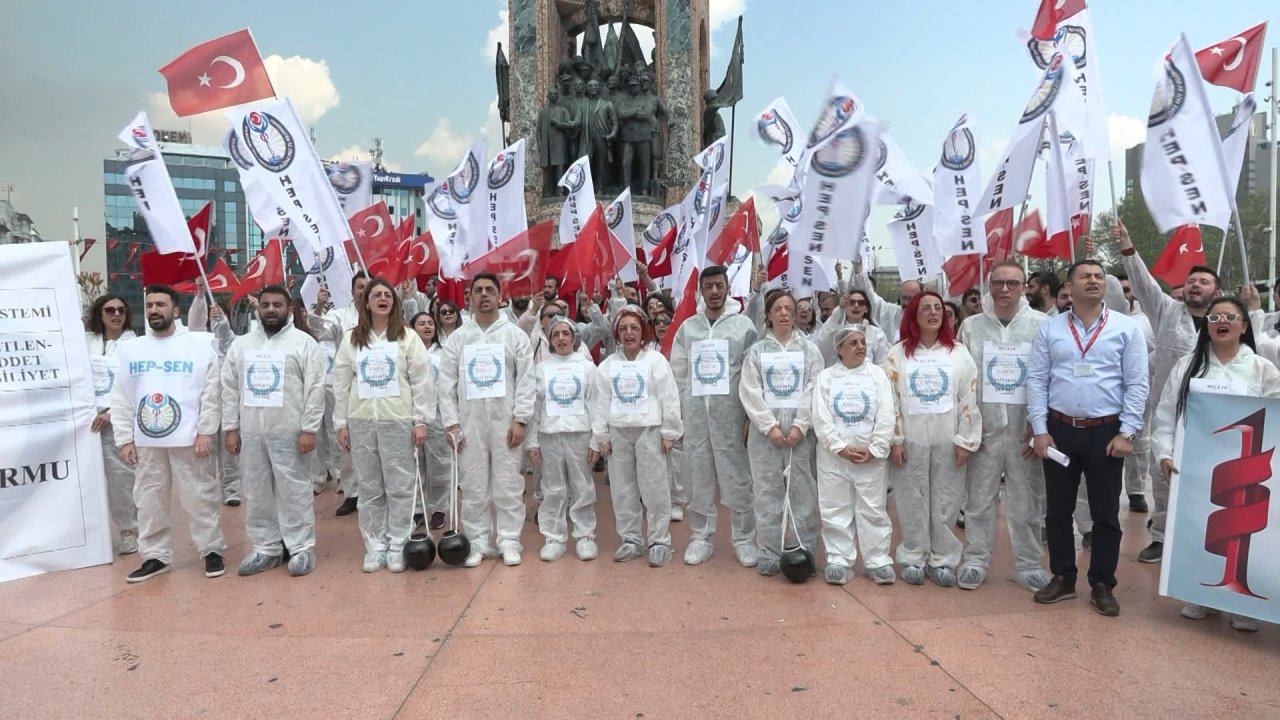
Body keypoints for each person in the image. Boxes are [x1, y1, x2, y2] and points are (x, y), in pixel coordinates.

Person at [1151, 293, 1280, 632]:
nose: (1222, 322)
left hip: (1246, 466)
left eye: (1230, 317)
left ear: (1244, 326)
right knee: (1201, 529)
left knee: (1242, 531)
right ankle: (1201, 594)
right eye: (1214, 317)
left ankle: (1242, 603)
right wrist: (1164, 452)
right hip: (1196, 468)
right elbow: (1166, 413)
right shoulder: (1188, 366)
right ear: (1206, 326)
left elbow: (1275, 416)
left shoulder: (1261, 368)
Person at [1027, 259, 1149, 617]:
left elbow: (1137, 383)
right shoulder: (1051, 329)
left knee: (1106, 514)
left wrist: (1127, 432)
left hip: (1106, 433)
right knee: (1058, 512)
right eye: (1085, 276)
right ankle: (1063, 577)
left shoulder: (1126, 329)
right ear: (1070, 286)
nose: (1094, 281)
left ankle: (1102, 583)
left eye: (1099, 276)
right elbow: (1037, 380)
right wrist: (1039, 430)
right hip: (1060, 430)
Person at [1115, 221, 1221, 564]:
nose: (1195, 285)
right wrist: (1127, 245)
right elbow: (1143, 283)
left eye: (1203, 282)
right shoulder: (1166, 311)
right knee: (1163, 474)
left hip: (1211, 416)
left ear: (1217, 293)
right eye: (1191, 281)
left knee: (1207, 478)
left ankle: (1201, 537)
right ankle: (1161, 536)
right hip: (1168, 411)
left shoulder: (1224, 323)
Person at [111, 285, 226, 582]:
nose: (154, 310)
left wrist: (206, 432)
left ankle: (211, 549)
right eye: (149, 305)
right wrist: (124, 438)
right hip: (147, 441)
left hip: (190, 438)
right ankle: (155, 555)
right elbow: (122, 397)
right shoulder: (132, 350)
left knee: (199, 495)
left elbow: (211, 393)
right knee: (149, 498)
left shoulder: (199, 345)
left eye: (160, 305)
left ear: (175, 310)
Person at [956, 262, 1051, 592]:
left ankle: (1029, 564)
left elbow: (1051, 377)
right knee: (979, 499)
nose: (1005, 289)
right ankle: (975, 559)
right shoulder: (971, 326)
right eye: (999, 283)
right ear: (989, 286)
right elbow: (962, 381)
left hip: (1026, 431)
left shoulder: (1042, 325)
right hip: (985, 430)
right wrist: (969, 427)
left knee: (1027, 501)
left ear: (1025, 287)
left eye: (1013, 283)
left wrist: (1040, 424)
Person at [221, 286, 327, 577]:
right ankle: (266, 547)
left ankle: (301, 547)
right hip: (251, 432)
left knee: (294, 489)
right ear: (258, 309)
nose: (270, 309)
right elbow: (229, 388)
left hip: (290, 432)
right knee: (256, 491)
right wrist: (231, 428)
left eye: (277, 304)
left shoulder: (304, 344)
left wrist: (309, 429)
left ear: (289, 310)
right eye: (265, 304)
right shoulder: (241, 345)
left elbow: (316, 389)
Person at [333, 279, 435, 573]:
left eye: (387, 295)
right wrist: (341, 422)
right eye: (376, 295)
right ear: (365, 302)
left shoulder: (407, 337)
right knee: (370, 487)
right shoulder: (352, 339)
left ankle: (398, 544)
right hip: (362, 421)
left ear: (395, 302)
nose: (382, 299)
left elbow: (422, 381)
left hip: (397, 420)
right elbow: (341, 383)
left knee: (401, 485)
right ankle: (375, 547)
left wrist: (420, 420)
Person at [438, 273, 536, 567]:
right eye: (478, 290)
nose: (483, 295)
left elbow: (527, 380)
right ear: (469, 297)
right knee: (473, 484)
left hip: (506, 423)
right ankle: (478, 541)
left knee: (508, 483)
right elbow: (446, 384)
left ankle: (509, 540)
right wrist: (451, 423)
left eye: (489, 290)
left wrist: (520, 420)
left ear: (499, 296)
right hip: (469, 424)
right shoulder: (458, 338)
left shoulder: (515, 336)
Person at [886, 291, 981, 587]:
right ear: (914, 314)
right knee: (910, 498)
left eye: (938, 308)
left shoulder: (959, 353)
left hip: (947, 439)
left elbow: (969, 397)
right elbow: (890, 400)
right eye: (925, 308)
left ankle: (943, 558)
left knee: (947, 498)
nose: (933, 313)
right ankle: (913, 555)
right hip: (911, 441)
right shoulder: (897, 354)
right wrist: (896, 439)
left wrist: (966, 440)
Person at [671, 266, 760, 566]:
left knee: (738, 479)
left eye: (719, 285)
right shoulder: (689, 328)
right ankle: (701, 537)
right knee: (698, 478)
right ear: (700, 291)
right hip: (696, 417)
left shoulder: (743, 327)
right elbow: (678, 373)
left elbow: (751, 375)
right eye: (708, 286)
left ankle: (744, 539)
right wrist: (680, 413)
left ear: (727, 288)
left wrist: (749, 415)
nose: (713, 291)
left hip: (730, 417)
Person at [739, 291, 824, 576]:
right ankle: (769, 551)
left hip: (801, 436)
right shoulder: (757, 352)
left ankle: (804, 549)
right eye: (778, 308)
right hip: (766, 437)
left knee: (803, 493)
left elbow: (814, 388)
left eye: (789, 308)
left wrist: (801, 425)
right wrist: (769, 426)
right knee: (767, 492)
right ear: (768, 315)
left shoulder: (810, 351)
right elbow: (750, 391)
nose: (784, 313)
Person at [590, 306, 683, 565]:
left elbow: (669, 397)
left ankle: (659, 540)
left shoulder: (656, 361)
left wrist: (669, 432)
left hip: (649, 431)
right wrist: (602, 437)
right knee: (623, 490)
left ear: (643, 331)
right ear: (616, 334)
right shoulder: (607, 366)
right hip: (618, 433)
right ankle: (630, 539)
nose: (629, 333)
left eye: (634, 327)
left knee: (655, 488)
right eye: (623, 329)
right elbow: (600, 403)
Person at [811, 324, 897, 585]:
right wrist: (838, 447)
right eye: (853, 343)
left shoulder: (878, 376)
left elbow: (887, 414)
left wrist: (876, 449)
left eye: (863, 342)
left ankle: (877, 560)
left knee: (873, 509)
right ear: (839, 349)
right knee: (835, 507)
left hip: (869, 459)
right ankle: (838, 559)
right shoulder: (826, 378)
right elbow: (820, 416)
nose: (861, 347)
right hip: (834, 459)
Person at [523, 316, 599, 561]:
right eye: (556, 334)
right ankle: (554, 538)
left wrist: (597, 440)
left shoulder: (587, 367)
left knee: (582, 486)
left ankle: (585, 536)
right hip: (549, 436)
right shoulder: (541, 368)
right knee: (553, 488)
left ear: (574, 338)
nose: (561, 338)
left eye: (566, 333)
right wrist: (532, 442)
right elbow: (535, 408)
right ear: (550, 340)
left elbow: (596, 404)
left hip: (580, 434)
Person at [86, 293, 139, 555]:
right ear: (100, 314)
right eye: (110, 310)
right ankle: (88, 535)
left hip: (115, 421)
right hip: (85, 420)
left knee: (121, 480)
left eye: (121, 310)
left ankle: (129, 530)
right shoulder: (85, 342)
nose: (116, 314)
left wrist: (110, 412)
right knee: (84, 479)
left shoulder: (135, 345)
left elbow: (135, 385)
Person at [410, 312, 452, 529]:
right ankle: (417, 509)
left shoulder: (445, 353)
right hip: (411, 415)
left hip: (438, 415)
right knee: (414, 465)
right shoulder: (406, 351)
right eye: (421, 324)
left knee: (439, 466)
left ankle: (438, 509)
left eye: (430, 323)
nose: (427, 327)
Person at [812, 288, 890, 367]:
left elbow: (882, 363)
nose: (856, 306)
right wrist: (840, 309)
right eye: (851, 302)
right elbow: (822, 342)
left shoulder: (877, 334)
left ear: (866, 309)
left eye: (861, 303)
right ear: (845, 307)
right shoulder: (835, 331)